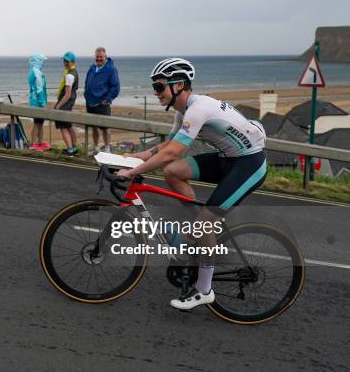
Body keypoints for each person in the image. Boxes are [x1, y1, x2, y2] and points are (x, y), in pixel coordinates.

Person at [118, 58, 267, 310]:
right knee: (173, 172)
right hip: (227, 159)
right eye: (154, 87)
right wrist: (134, 158)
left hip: (249, 165)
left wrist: (133, 172)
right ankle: (197, 236)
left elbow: (171, 152)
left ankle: (204, 289)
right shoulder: (182, 110)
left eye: (159, 87)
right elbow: (167, 146)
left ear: (178, 85)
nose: (155, 93)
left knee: (204, 222)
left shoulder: (198, 109)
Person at [84, 47, 120, 155]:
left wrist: (107, 99)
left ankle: (107, 149)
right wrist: (86, 94)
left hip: (102, 103)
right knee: (94, 127)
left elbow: (116, 87)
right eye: (97, 57)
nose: (99, 59)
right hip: (90, 103)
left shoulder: (111, 69)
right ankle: (96, 148)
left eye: (101, 57)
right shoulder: (92, 67)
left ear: (105, 57)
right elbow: (87, 82)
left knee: (105, 127)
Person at [54, 51, 78, 156]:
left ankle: (70, 149)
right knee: (68, 126)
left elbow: (67, 95)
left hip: (65, 103)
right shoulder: (74, 71)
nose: (65, 63)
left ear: (73, 61)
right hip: (70, 102)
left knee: (63, 127)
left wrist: (58, 106)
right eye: (64, 61)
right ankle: (74, 147)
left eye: (68, 61)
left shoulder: (69, 75)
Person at [27, 53, 50, 151]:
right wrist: (43, 103)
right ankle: (32, 144)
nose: (43, 63)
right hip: (38, 103)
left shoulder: (32, 71)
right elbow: (39, 89)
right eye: (42, 60)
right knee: (37, 124)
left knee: (39, 123)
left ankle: (40, 143)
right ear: (38, 61)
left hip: (33, 101)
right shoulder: (37, 72)